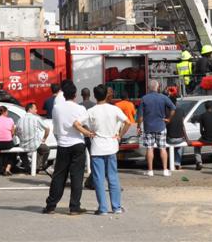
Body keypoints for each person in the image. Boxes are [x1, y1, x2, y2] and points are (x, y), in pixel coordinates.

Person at [44, 80, 95, 215]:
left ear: (63, 94)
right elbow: (84, 126)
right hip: (77, 144)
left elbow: (55, 126)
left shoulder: (57, 108)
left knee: (59, 176)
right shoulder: (80, 109)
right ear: (75, 94)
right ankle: (74, 207)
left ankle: (51, 205)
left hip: (62, 145)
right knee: (77, 176)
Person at [86, 84, 131, 215]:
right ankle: (116, 207)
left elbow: (77, 123)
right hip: (111, 146)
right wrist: (119, 135)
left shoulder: (91, 111)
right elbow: (127, 122)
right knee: (113, 177)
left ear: (94, 96)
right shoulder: (114, 109)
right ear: (107, 95)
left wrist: (88, 132)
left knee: (99, 179)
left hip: (97, 147)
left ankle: (103, 208)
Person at [137, 79, 176, 177]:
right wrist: (169, 119)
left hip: (148, 127)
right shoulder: (163, 98)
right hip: (161, 126)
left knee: (150, 149)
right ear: (157, 87)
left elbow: (140, 116)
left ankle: (150, 171)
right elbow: (173, 108)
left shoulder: (144, 98)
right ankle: (165, 170)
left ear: (149, 88)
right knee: (162, 148)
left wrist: (138, 126)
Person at [16, 102, 51, 174]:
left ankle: (28, 168)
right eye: (35, 109)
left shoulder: (20, 120)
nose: (36, 110)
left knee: (22, 154)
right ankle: (38, 167)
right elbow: (47, 128)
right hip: (35, 144)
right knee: (46, 149)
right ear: (30, 109)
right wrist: (44, 139)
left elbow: (16, 132)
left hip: (23, 145)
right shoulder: (36, 118)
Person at [193, 102, 212, 170]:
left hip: (206, 138)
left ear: (205, 108)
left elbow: (201, 130)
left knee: (197, 146)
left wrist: (204, 135)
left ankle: (199, 162)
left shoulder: (202, 116)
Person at [0, 105, 16, 176]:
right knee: (12, 152)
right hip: (8, 143)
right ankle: (7, 168)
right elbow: (13, 132)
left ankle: (0, 168)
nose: (8, 113)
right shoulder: (10, 120)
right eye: (7, 111)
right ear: (4, 112)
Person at [166, 86, 187, 169]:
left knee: (171, 145)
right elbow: (182, 125)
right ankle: (177, 162)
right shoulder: (181, 110)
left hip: (169, 138)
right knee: (180, 146)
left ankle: (171, 162)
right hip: (179, 138)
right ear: (176, 103)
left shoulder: (166, 111)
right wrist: (186, 138)